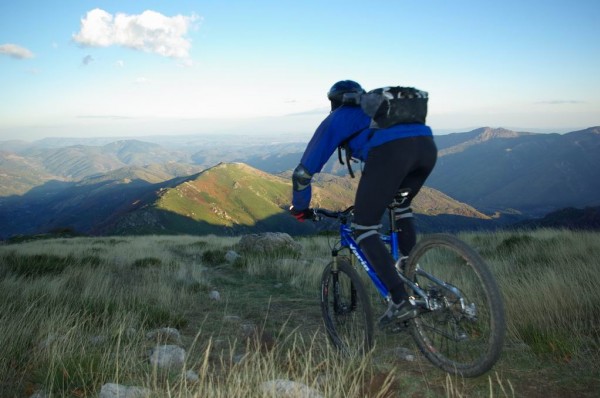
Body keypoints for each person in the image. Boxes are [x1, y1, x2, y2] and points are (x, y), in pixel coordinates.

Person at [289, 79, 438, 326]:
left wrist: (301, 207)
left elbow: (303, 174)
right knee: (401, 208)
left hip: (392, 153)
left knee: (364, 229)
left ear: (334, 102)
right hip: (426, 147)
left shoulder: (337, 119)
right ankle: (412, 280)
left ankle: (401, 300)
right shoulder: (380, 112)